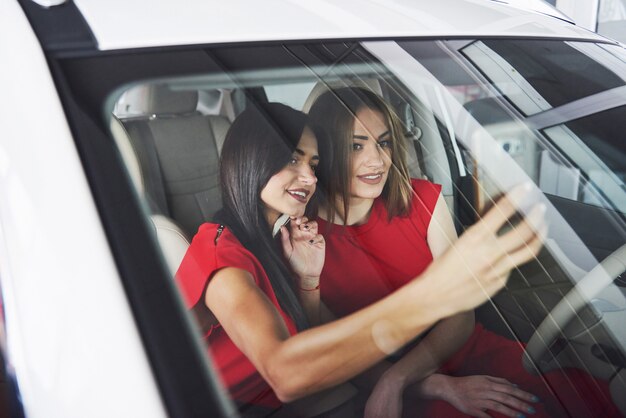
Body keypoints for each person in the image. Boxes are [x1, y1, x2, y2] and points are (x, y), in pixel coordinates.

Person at [175, 102, 545, 417]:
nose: (308, 177)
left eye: (314, 165)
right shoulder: (219, 251)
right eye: (292, 160)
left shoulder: (280, 239)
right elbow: (285, 374)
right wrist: (435, 293)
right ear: (253, 161)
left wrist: (308, 282)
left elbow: (311, 343)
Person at [307, 86, 620, 418]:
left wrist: (397, 379)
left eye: (383, 143)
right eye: (357, 146)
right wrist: (431, 385)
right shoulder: (305, 243)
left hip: (467, 353)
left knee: (595, 397)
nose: (378, 160)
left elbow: (461, 314)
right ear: (326, 150)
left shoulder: (423, 199)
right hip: (398, 389)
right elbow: (339, 356)